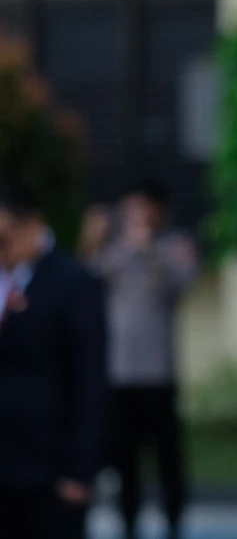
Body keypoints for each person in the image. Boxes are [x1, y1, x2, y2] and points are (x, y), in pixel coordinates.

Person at [81, 180, 199, 539]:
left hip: (158, 376)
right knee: (125, 462)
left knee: (168, 461)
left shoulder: (175, 247)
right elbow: (84, 281)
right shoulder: (115, 252)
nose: (134, 218)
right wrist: (92, 238)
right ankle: (128, 526)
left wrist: (147, 250)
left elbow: (178, 287)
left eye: (141, 210)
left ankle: (174, 524)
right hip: (120, 376)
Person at [0, 176, 107, 539]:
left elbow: (91, 383)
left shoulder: (74, 283)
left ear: (32, 224)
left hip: (50, 470)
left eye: (3, 237)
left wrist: (81, 470)